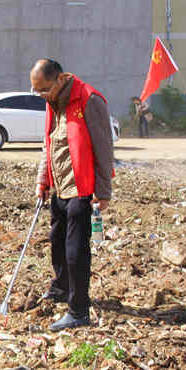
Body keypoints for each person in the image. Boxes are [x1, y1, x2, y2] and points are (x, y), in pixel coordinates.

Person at [31, 58, 114, 332]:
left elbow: (104, 147)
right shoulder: (53, 103)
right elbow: (49, 143)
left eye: (43, 89)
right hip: (59, 187)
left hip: (82, 188)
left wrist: (103, 191)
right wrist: (43, 180)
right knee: (56, 241)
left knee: (76, 250)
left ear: (59, 80)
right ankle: (62, 286)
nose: (40, 95)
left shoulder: (89, 100)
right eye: (36, 90)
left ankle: (78, 310)